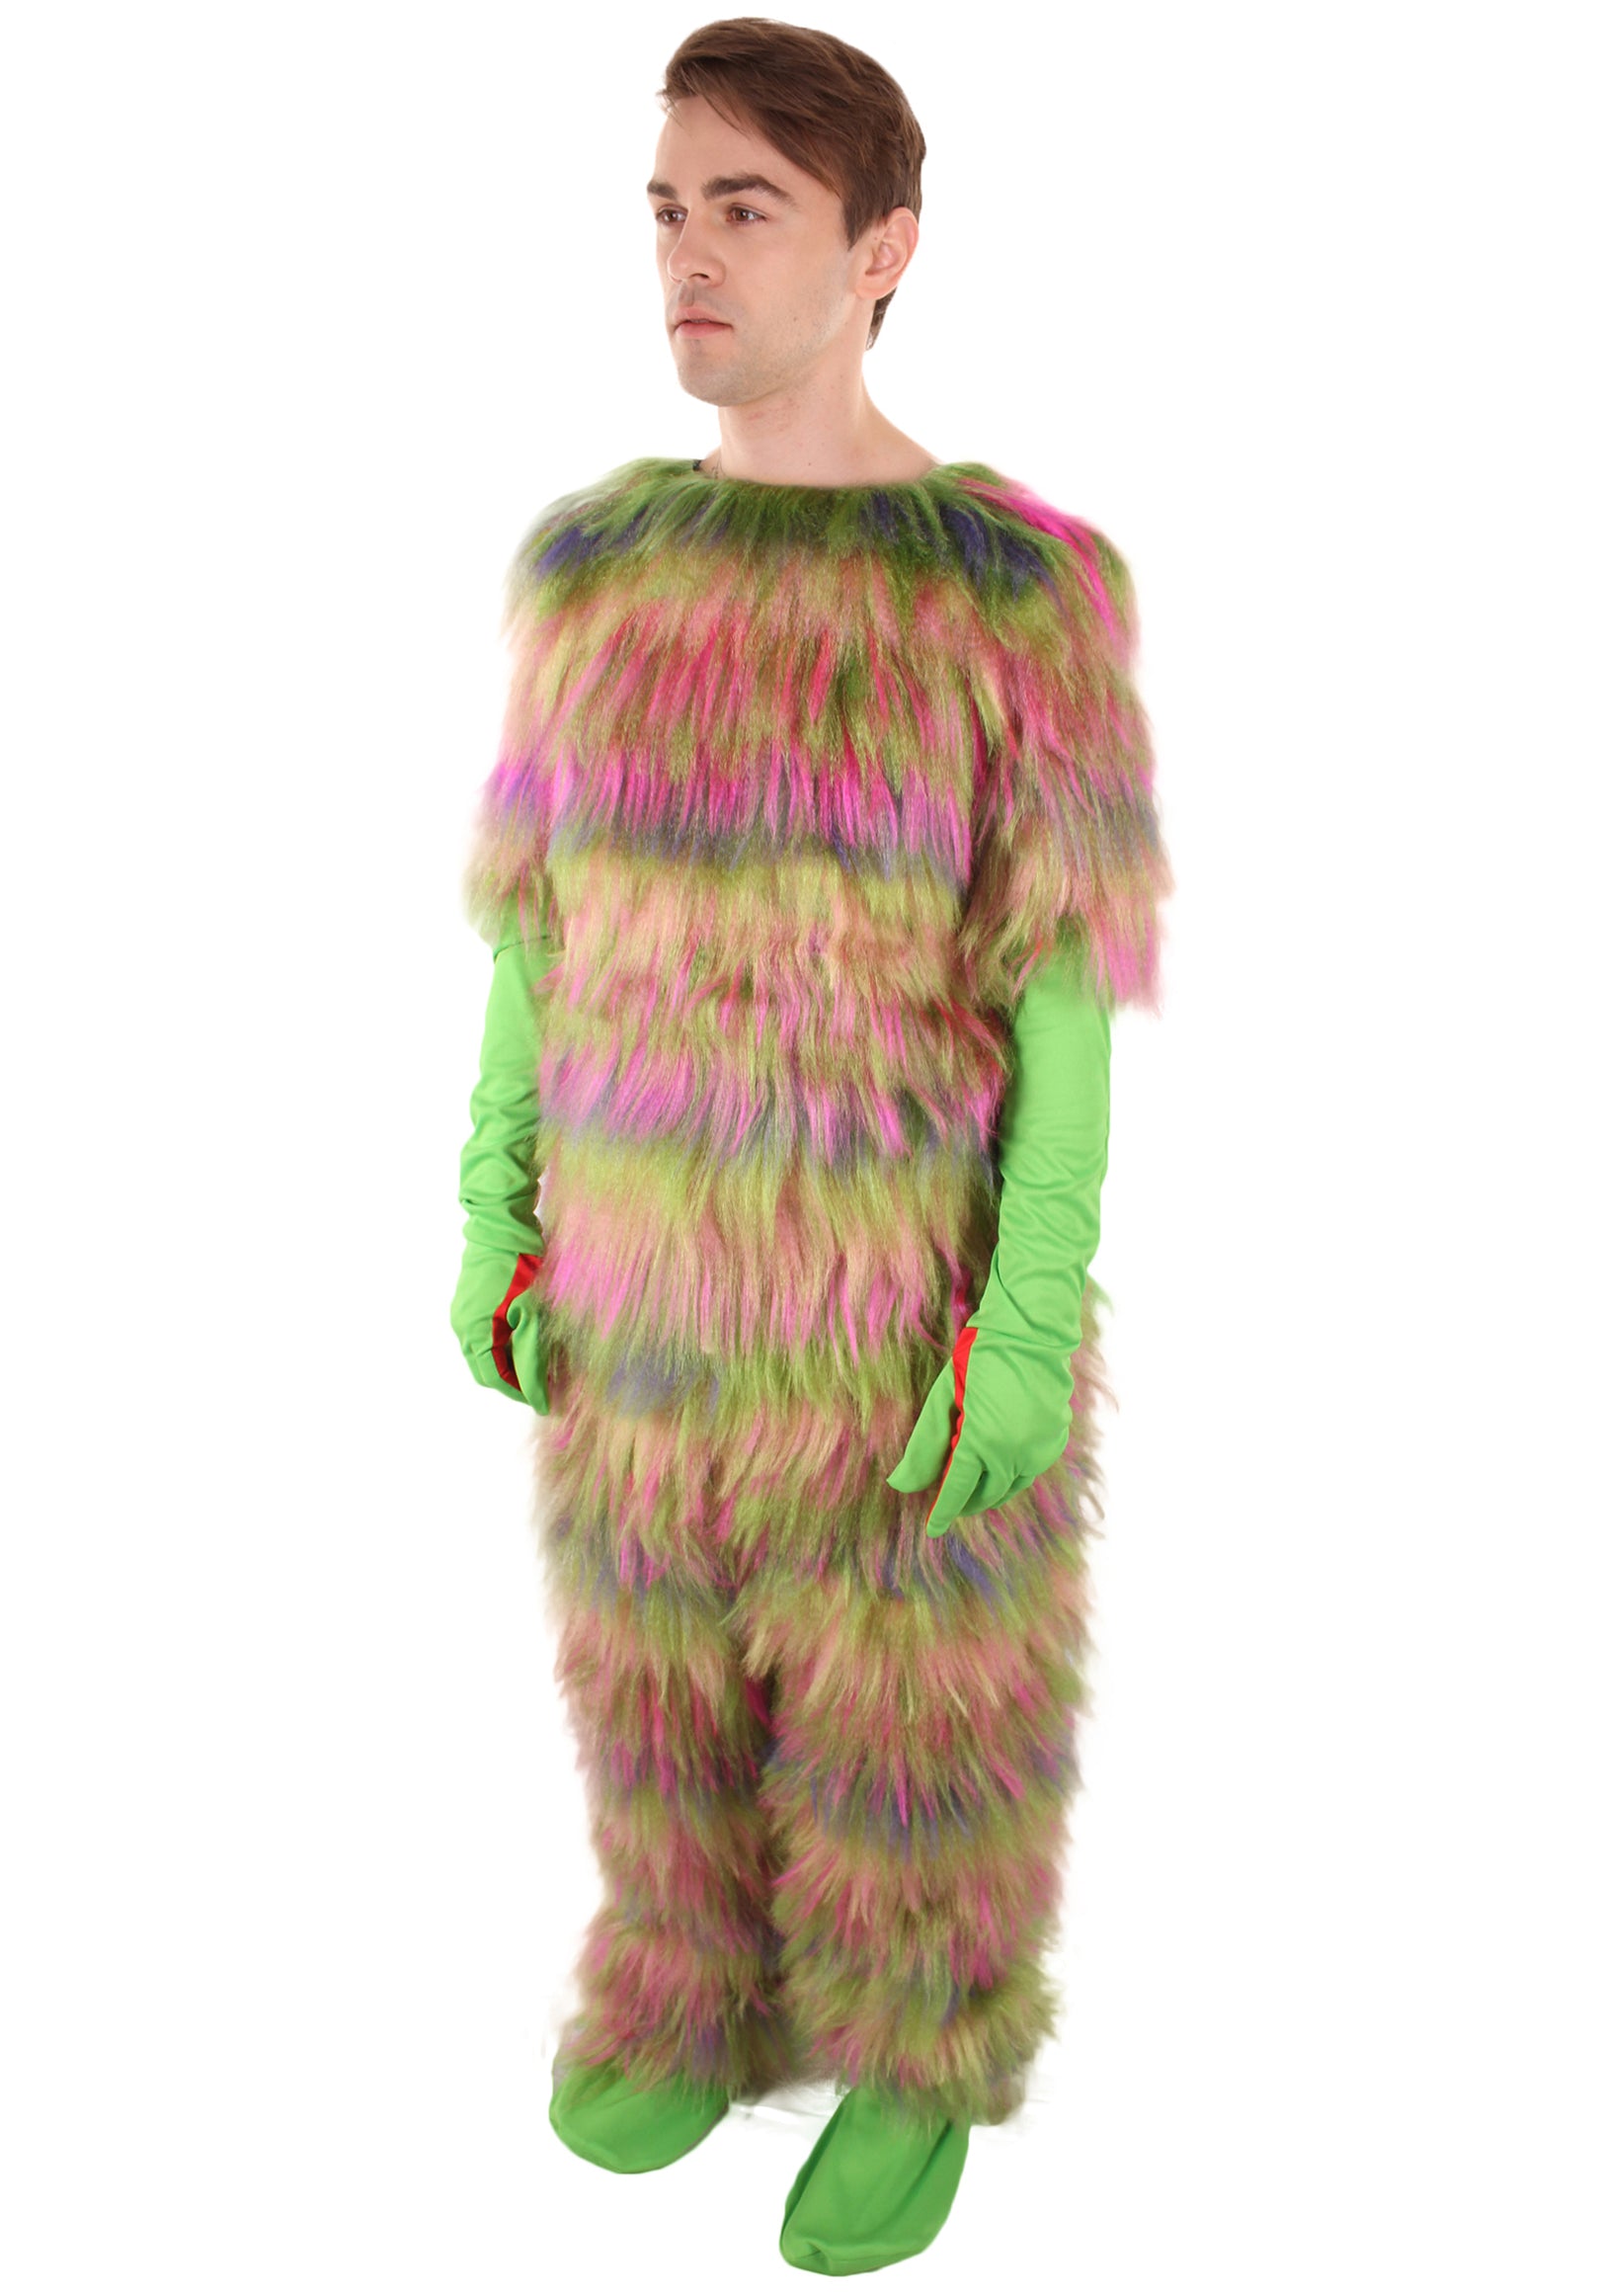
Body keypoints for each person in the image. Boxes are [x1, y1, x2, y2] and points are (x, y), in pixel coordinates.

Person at [449, 20, 1173, 2275]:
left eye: (744, 208)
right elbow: (535, 923)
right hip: (641, 1292)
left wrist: (1023, 1318)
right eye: (667, 207)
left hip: (891, 1308)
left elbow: (1063, 992)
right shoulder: (590, 567)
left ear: (882, 251)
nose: (687, 254)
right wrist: (493, 1200)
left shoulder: (1015, 590)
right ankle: (690, 1981)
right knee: (649, 1673)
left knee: (911, 1705)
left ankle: (916, 2041)